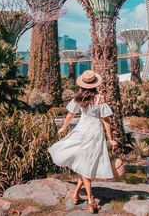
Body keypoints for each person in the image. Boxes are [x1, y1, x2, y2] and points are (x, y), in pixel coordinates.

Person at [48, 70, 118, 213]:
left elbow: (70, 115)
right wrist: (110, 139)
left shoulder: (78, 98)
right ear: (94, 84)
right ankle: (91, 201)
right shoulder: (100, 98)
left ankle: (75, 194)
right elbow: (106, 120)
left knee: (85, 164)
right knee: (87, 163)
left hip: (81, 130)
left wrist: (63, 127)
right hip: (95, 132)